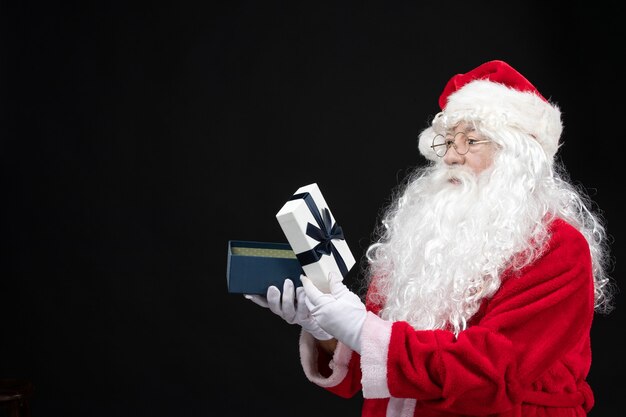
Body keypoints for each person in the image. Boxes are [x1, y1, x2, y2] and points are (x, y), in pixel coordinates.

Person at [246, 59, 615, 416]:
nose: (452, 156)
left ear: (518, 157)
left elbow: (491, 373)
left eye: (471, 141)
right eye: (448, 141)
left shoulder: (557, 246)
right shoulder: (425, 234)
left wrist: (359, 325)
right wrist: (322, 325)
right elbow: (376, 367)